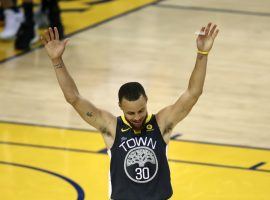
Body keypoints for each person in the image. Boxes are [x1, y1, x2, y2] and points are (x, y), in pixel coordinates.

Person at [40, 23, 219, 200]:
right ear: (120, 107)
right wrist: (57, 60)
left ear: (147, 101)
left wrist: (202, 54)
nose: (137, 117)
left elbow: (193, 93)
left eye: (141, 111)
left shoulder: (161, 123)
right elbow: (74, 98)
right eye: (131, 113)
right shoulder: (111, 127)